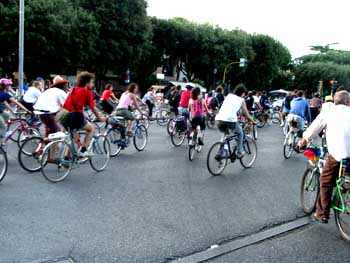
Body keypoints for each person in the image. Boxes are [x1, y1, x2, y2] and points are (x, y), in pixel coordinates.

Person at [300, 91, 350, 223]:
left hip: (339, 154)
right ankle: (345, 188)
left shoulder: (328, 112)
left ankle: (322, 213)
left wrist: (304, 141)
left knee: (325, 180)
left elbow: (313, 129)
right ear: (347, 101)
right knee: (345, 178)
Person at [61, 72, 106, 157]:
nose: (92, 85)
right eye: (92, 82)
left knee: (74, 136)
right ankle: (83, 150)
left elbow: (72, 104)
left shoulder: (73, 90)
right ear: (87, 83)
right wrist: (100, 118)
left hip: (63, 114)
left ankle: (66, 157)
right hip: (75, 116)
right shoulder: (87, 92)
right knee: (91, 129)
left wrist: (83, 114)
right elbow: (93, 108)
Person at [216, 84, 255, 158]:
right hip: (230, 120)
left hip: (219, 119)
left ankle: (220, 153)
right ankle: (239, 152)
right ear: (242, 93)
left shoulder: (229, 95)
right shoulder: (241, 100)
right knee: (240, 133)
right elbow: (246, 115)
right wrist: (253, 121)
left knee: (225, 135)